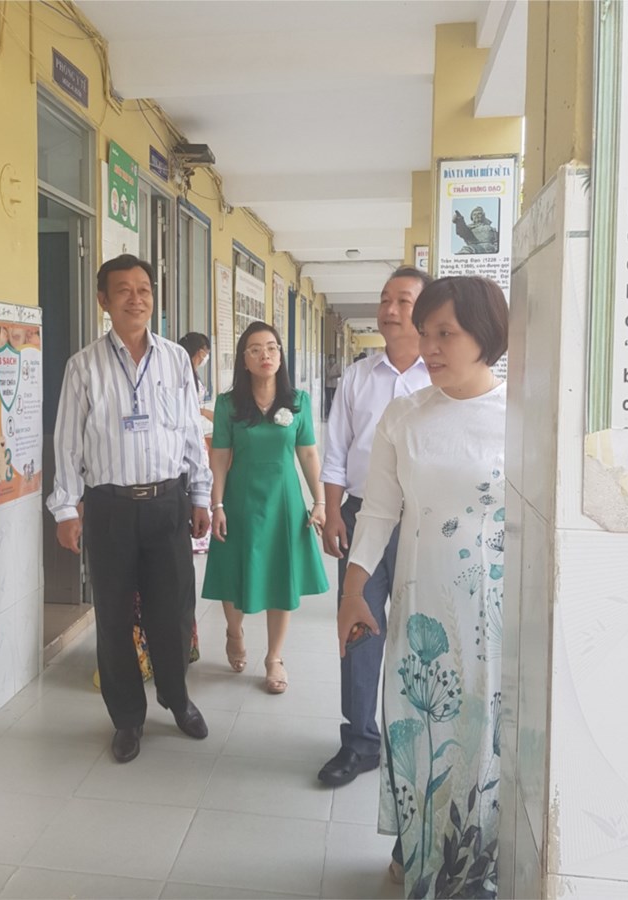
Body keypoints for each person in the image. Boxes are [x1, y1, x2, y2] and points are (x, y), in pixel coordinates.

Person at [338, 276, 508, 897]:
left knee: (482, 734)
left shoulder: (522, 415)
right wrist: (353, 590)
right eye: (425, 332)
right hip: (420, 610)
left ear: (485, 337)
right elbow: (379, 511)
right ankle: (418, 854)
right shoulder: (403, 416)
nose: (428, 347)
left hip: (494, 613)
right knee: (423, 733)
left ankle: (473, 869)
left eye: (445, 334)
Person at [47, 253, 212, 764]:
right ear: (104, 300)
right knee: (114, 615)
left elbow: (190, 431)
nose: (136, 299)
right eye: (124, 290)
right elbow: (67, 442)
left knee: (174, 610)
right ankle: (127, 718)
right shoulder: (83, 366)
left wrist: (200, 494)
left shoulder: (176, 360)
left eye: (144, 289)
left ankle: (176, 698)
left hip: (167, 503)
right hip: (109, 508)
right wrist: (65, 509)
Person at [317, 267, 433, 788]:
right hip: (363, 516)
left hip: (425, 522)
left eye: (403, 301)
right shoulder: (359, 377)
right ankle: (360, 742)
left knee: (421, 630)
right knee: (359, 627)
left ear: (425, 311)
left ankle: (416, 739)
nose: (389, 309)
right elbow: (336, 452)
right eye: (385, 299)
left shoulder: (441, 374)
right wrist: (332, 513)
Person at [202, 322, 329, 694]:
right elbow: (220, 456)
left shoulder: (297, 401)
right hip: (240, 497)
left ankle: (274, 658)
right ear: (244, 359)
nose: (265, 355)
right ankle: (234, 631)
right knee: (233, 569)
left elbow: (308, 454)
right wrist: (217, 504)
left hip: (284, 500)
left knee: (281, 576)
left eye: (272, 347)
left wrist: (320, 501)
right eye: (255, 349)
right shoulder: (228, 404)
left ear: (280, 355)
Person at [178, 331, 214, 555]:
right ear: (200, 351)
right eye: (206, 353)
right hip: (190, 433)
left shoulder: (193, 372)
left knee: (201, 477)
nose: (206, 357)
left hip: (197, 431)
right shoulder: (183, 371)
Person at [324, 354, 341, 419]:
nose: (331, 359)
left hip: (334, 385)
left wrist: (333, 376)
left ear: (334, 359)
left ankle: (334, 412)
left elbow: (340, 374)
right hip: (327, 384)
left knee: (334, 399)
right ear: (329, 359)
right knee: (328, 399)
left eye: (333, 358)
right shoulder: (326, 365)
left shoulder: (337, 366)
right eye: (330, 358)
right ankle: (329, 412)